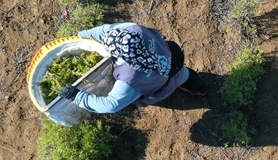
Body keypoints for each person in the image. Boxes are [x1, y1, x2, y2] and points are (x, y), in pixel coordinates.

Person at [57, 22, 207, 113]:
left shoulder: (131, 78)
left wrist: (77, 96)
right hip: (170, 55)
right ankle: (196, 83)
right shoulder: (132, 31)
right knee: (185, 74)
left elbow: (111, 105)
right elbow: (106, 30)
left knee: (176, 80)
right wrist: (81, 36)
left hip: (167, 78)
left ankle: (201, 91)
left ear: (125, 59)